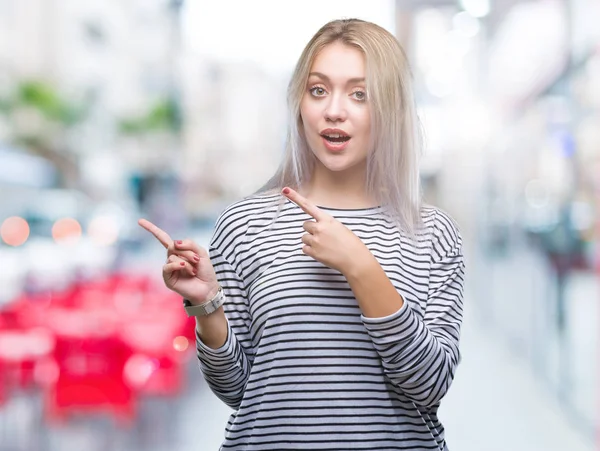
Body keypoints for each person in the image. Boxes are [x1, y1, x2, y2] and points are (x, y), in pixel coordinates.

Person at [139, 18, 465, 451]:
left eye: (359, 94)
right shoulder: (244, 223)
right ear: (300, 105)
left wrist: (361, 267)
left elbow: (430, 386)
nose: (334, 110)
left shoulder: (433, 233)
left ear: (391, 108)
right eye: (318, 90)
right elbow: (237, 390)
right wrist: (206, 304)